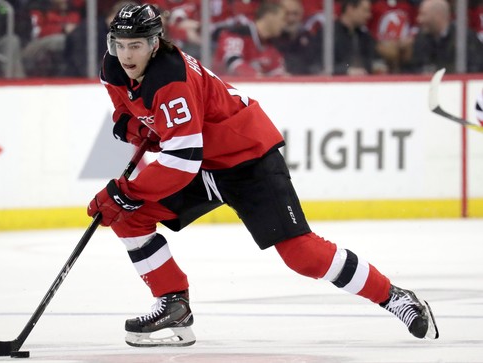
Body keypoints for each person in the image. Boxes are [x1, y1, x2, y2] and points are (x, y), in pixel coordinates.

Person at [89, 3, 440, 347]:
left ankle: (393, 296)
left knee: (302, 255)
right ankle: (174, 304)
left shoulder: (170, 77)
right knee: (128, 217)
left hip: (246, 159)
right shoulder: (113, 67)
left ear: (154, 43)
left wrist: (124, 191)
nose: (126, 54)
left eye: (135, 45)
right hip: (205, 161)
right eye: (119, 44)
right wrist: (137, 132)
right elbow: (124, 115)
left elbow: (182, 161)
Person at [406, 0, 483, 74]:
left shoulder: (464, 37)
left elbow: (475, 68)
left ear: (437, 16)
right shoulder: (421, 38)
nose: (419, 19)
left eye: (423, 14)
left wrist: (438, 71)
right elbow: (415, 68)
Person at [212, 2, 288, 77]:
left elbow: (278, 72)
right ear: (269, 17)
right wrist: (257, 77)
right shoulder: (237, 33)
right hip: (223, 86)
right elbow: (232, 61)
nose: (284, 24)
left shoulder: (272, 44)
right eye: (282, 19)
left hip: (251, 87)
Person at [312, 0, 384, 75]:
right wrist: (346, 71)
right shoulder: (328, 34)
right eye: (365, 10)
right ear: (350, 9)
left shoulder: (365, 37)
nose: (369, 15)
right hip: (335, 84)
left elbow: (374, 61)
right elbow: (318, 66)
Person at [273, 0, 318, 75]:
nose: (291, 19)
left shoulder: (310, 39)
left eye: (295, 14)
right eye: (286, 14)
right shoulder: (271, 40)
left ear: (301, 15)